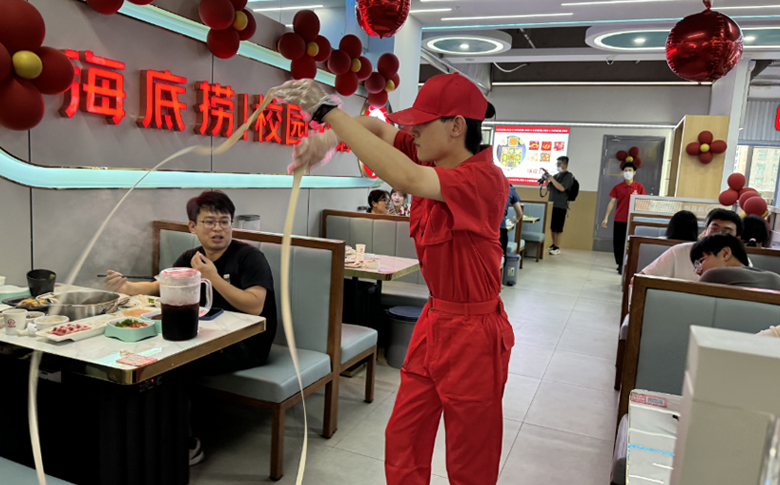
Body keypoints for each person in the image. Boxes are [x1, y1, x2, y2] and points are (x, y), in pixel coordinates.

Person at [275, 73, 514, 485]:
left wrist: (327, 110)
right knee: (404, 436)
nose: (412, 131)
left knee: (470, 457)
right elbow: (373, 124)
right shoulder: (429, 155)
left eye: (422, 123)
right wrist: (326, 140)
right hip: (434, 320)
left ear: (456, 126)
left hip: (475, 333)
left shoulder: (484, 180)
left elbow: (407, 180)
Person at [104, 190, 277, 465]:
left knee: (173, 365)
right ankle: (141, 435)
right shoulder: (190, 257)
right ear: (193, 227)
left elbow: (255, 306)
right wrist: (126, 287)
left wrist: (213, 277)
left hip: (247, 344)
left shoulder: (249, 257)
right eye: (209, 222)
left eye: (224, 221)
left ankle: (186, 442)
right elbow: (159, 287)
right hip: (205, 336)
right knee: (145, 355)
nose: (218, 228)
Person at [640, 209, 743, 282]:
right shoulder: (679, 251)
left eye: (726, 232)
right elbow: (642, 279)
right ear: (705, 230)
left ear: (737, 238)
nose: (719, 236)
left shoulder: (740, 261)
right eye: (714, 229)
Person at [691, 234, 780, 290]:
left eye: (700, 262)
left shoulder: (713, 275)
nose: (698, 271)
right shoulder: (775, 278)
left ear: (725, 253)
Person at [602, 162, 646, 274]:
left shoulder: (639, 187)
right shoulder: (618, 187)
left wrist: (642, 218)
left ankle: (629, 263)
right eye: (625, 170)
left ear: (634, 172)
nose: (628, 173)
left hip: (633, 220)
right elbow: (612, 202)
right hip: (620, 219)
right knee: (619, 243)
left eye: (630, 170)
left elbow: (643, 203)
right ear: (622, 172)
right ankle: (620, 263)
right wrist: (606, 217)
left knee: (631, 243)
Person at [545, 156, 574, 255]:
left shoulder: (568, 177)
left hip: (561, 205)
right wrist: (547, 180)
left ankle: (557, 246)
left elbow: (561, 188)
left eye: (559, 164)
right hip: (552, 204)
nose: (558, 166)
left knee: (558, 227)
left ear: (565, 165)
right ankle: (553, 244)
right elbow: (549, 189)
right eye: (557, 164)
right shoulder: (556, 175)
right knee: (552, 226)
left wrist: (552, 179)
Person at [500, 184, 523, 255]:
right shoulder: (510, 189)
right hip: (500, 228)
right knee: (501, 256)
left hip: (481, 230)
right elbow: (519, 212)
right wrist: (517, 218)